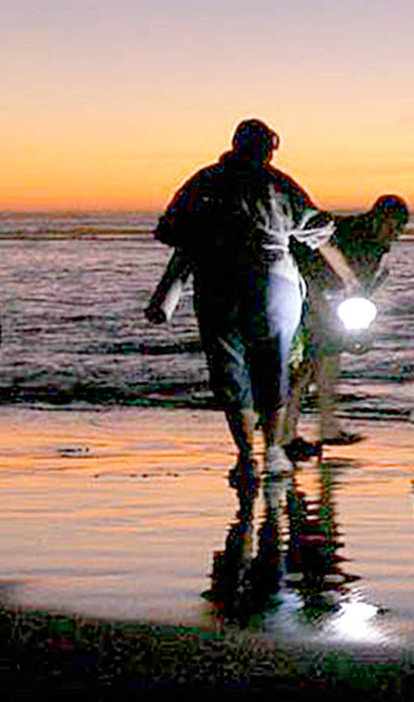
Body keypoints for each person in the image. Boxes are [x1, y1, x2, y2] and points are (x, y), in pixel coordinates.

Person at [153, 119, 359, 475]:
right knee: (274, 366)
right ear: (268, 150)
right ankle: (273, 450)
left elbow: (170, 230)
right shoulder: (277, 183)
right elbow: (319, 233)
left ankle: (246, 454)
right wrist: (349, 277)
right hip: (272, 283)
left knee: (230, 371)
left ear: (235, 144)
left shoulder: (204, 181)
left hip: (216, 284)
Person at [281, 194, 409, 457]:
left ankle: (325, 427)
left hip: (324, 296)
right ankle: (286, 436)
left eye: (399, 228)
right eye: (392, 226)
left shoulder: (377, 245)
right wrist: (322, 311)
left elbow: (360, 288)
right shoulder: (347, 234)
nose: (395, 234)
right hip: (298, 289)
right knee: (305, 366)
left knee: (327, 359)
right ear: (378, 219)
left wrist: (358, 326)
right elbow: (308, 269)